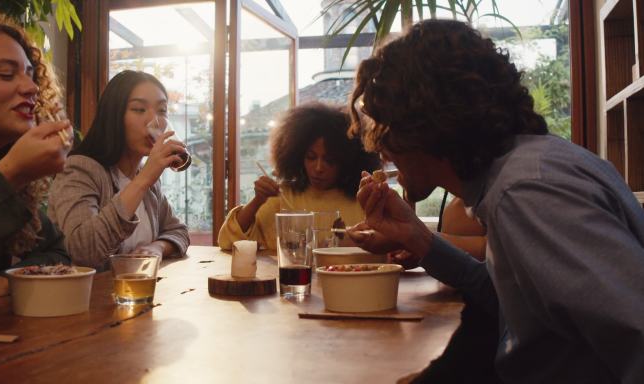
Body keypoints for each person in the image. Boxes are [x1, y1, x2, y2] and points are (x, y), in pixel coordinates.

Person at [348, 19, 644, 383]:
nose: (383, 154)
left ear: (422, 125)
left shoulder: (527, 192)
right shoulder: (526, 168)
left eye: (384, 131)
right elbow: (511, 302)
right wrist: (418, 238)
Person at [0, 14, 73, 306]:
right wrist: (10, 175)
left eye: (30, 74)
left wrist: (8, 277)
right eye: (6, 74)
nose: (32, 88)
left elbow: (58, 251)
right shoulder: (8, 171)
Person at [48, 70, 190, 271]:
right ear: (114, 115)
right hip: (86, 299)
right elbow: (83, 252)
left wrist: (157, 247)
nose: (154, 120)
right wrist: (144, 180)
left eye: (161, 110)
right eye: (139, 109)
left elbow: (179, 231)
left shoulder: (145, 177)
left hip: (140, 296)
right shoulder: (80, 169)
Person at [217, 102, 381, 251]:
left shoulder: (363, 201)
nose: (318, 168)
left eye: (329, 160)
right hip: (290, 282)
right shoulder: (282, 197)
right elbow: (227, 241)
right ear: (297, 156)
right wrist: (257, 201)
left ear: (348, 161)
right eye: (311, 157)